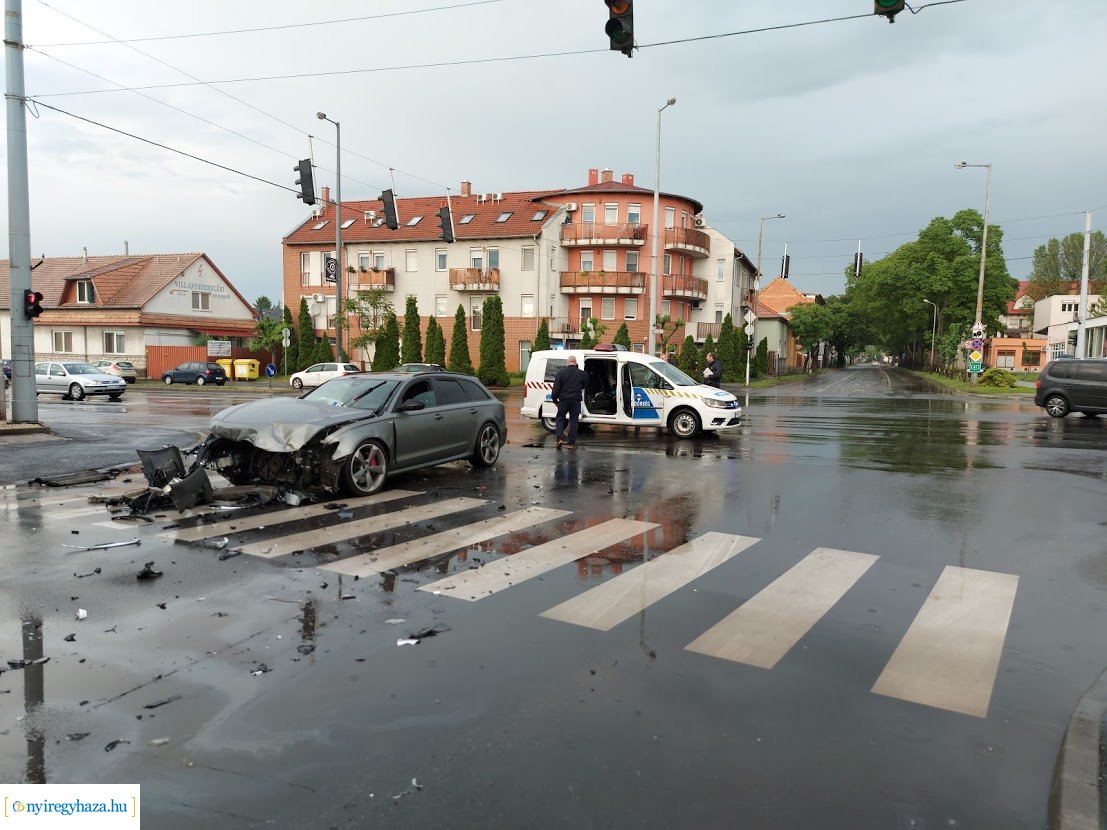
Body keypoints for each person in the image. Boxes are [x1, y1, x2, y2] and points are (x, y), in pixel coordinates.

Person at [551, 354, 587, 449]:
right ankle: (571, 443)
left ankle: (559, 439)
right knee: (574, 421)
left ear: (567, 363)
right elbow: (586, 384)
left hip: (563, 401)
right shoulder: (581, 373)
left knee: (560, 418)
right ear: (575, 363)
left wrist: (555, 401)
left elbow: (556, 389)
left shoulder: (561, 373)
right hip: (575, 401)